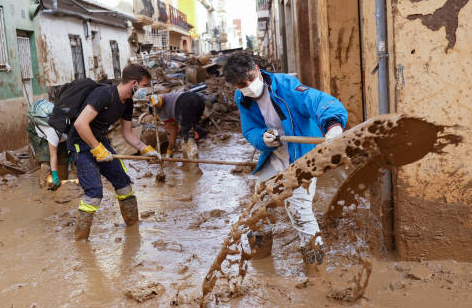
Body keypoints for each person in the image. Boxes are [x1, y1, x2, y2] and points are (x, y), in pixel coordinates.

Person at [223, 53, 348, 274]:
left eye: (251, 78)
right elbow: (249, 128)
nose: (249, 86)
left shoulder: (286, 85)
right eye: (242, 84)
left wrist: (333, 124)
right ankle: (261, 259)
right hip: (275, 154)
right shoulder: (241, 98)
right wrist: (262, 138)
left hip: (301, 155)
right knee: (259, 205)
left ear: (258, 71)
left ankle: (315, 271)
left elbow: (316, 100)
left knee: (299, 211)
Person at [71, 64, 160, 241]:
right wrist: (96, 149)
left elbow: (127, 133)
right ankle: (81, 241)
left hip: (100, 141)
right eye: (144, 86)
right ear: (134, 83)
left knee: (123, 183)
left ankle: (133, 231)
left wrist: (146, 149)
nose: (145, 91)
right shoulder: (104, 94)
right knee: (94, 192)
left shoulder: (128, 103)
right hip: (80, 143)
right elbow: (80, 124)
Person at [149, 91, 205, 161]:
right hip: (198, 99)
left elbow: (162, 97)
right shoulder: (169, 101)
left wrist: (157, 101)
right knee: (189, 130)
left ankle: (193, 166)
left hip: (183, 103)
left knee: (187, 137)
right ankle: (190, 161)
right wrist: (169, 152)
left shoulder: (158, 111)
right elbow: (174, 132)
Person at [27, 98, 68, 189]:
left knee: (64, 156)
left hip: (53, 132)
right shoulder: (53, 132)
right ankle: (44, 187)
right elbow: (53, 155)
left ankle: (61, 185)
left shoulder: (67, 125)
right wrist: (54, 174)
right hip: (36, 132)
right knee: (47, 159)